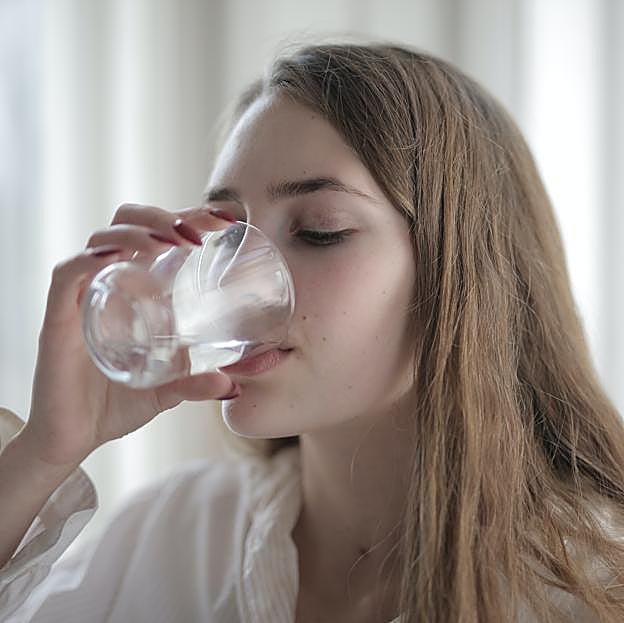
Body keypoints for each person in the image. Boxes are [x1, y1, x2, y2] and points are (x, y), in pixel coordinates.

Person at [1, 41, 624, 623]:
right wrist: (44, 454)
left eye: (320, 230)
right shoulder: (173, 535)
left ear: (463, 274)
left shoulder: (589, 590)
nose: (236, 284)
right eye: (226, 234)